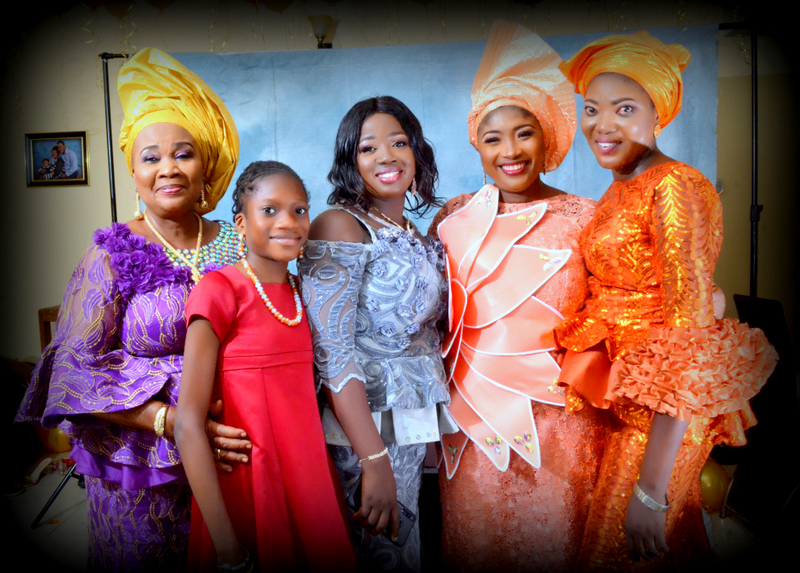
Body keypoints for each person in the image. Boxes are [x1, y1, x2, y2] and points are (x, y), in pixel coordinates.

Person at [16, 47, 250, 572]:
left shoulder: (241, 245)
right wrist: (169, 420)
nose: (168, 168)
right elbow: (73, 373)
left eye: (183, 153)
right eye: (151, 157)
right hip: (144, 462)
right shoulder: (110, 253)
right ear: (133, 170)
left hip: (239, 454)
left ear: (205, 162)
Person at [554, 31, 778, 570]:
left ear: (659, 114)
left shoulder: (675, 184)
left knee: (612, 554)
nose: (601, 125)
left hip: (664, 416)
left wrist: (652, 490)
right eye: (591, 109)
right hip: (627, 398)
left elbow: (691, 333)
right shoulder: (621, 185)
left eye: (623, 109)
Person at [427, 21, 606, 572]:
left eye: (523, 133)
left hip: (561, 425)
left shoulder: (587, 217)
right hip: (470, 426)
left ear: (546, 137)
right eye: (493, 138)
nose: (510, 151)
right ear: (475, 145)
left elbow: (618, 310)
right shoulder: (454, 216)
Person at [176, 161, 356, 573]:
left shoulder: (304, 291)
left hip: (310, 479)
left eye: (299, 209)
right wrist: (226, 549)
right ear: (240, 223)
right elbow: (188, 422)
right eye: (270, 210)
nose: (289, 222)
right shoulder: (219, 290)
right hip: (248, 485)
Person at [297, 96, 452, 572]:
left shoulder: (415, 230)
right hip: (360, 436)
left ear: (417, 151)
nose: (387, 156)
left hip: (409, 429)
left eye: (399, 142)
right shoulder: (341, 226)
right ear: (350, 160)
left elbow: (425, 340)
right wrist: (373, 459)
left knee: (406, 556)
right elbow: (333, 354)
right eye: (368, 148)